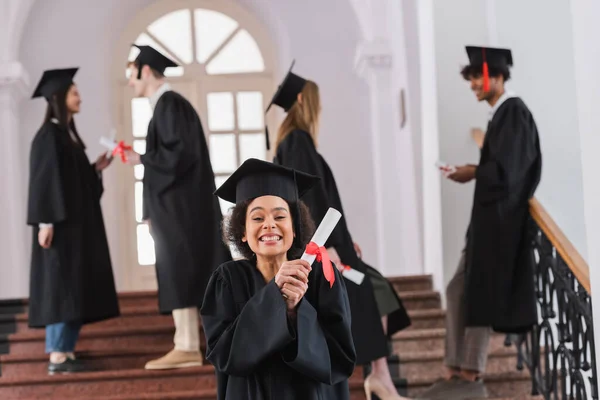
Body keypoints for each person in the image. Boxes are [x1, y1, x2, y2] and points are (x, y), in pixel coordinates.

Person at [270, 63, 412, 400]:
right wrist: (328, 246)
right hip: (322, 248)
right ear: (304, 100)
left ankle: (379, 375)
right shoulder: (298, 141)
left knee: (378, 291)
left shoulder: (292, 143)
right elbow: (309, 199)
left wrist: (343, 240)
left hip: (328, 243)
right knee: (372, 291)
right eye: (317, 103)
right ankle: (379, 377)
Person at [418, 46, 542, 400]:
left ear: (497, 76)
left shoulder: (514, 113)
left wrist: (472, 171)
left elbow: (511, 172)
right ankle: (454, 370)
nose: (473, 84)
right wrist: (472, 172)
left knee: (479, 295)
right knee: (459, 288)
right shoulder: (500, 116)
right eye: (471, 77)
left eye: (477, 76)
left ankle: (469, 376)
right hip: (486, 224)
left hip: (501, 225)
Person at [202, 158, 356, 399]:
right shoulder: (227, 280)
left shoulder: (320, 277)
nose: (269, 225)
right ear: (242, 232)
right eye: (257, 218)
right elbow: (225, 355)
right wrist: (276, 298)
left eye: (280, 216)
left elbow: (339, 357)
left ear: (294, 229)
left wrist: (296, 312)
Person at [124, 45, 232, 370]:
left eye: (131, 74)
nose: (130, 82)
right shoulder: (166, 107)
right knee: (180, 272)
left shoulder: (170, 105)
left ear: (145, 71)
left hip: (180, 212)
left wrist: (141, 158)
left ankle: (187, 346)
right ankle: (184, 344)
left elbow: (180, 155)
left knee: (183, 271)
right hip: (175, 211)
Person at [27, 68, 120, 374]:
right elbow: (44, 182)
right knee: (60, 288)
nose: (79, 97)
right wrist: (45, 223)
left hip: (75, 231)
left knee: (72, 288)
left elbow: (73, 183)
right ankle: (56, 354)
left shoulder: (66, 135)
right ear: (58, 98)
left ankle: (65, 351)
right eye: (73, 92)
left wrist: (96, 168)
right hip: (59, 229)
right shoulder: (48, 136)